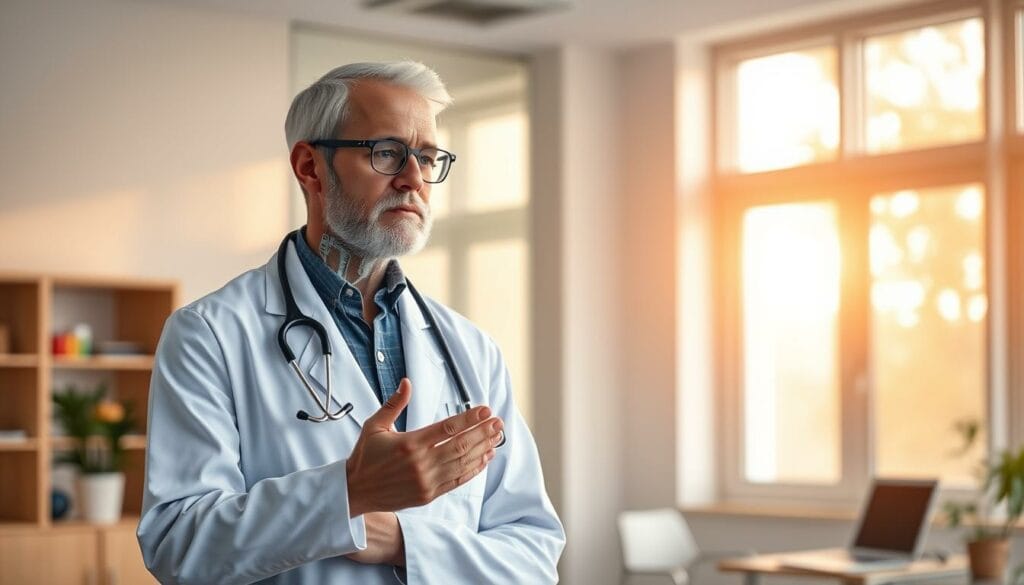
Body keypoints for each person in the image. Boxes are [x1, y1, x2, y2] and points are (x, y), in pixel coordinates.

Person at [137, 61, 565, 584]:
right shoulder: (210, 334)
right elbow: (177, 543)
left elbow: (533, 553)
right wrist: (348, 492)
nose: (413, 178)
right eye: (386, 153)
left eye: (427, 157)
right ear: (311, 168)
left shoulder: (470, 349)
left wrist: (406, 545)